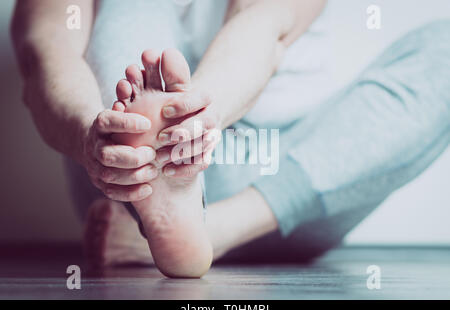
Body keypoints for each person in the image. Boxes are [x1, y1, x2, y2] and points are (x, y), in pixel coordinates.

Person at [11, 0, 450, 278]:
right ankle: (165, 185)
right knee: (135, 7)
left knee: (445, 50)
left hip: (288, 178)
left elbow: (262, 22)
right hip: (127, 182)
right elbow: (45, 50)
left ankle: (210, 225)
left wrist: (196, 124)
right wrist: (94, 136)